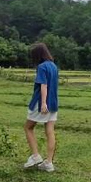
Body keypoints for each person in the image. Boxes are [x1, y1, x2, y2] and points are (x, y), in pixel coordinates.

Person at [22, 43, 59, 172]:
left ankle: (36, 156)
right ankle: (49, 162)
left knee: (28, 127)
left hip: (41, 103)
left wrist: (43, 103)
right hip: (54, 103)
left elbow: (43, 85)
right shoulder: (54, 66)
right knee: (50, 131)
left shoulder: (42, 67)